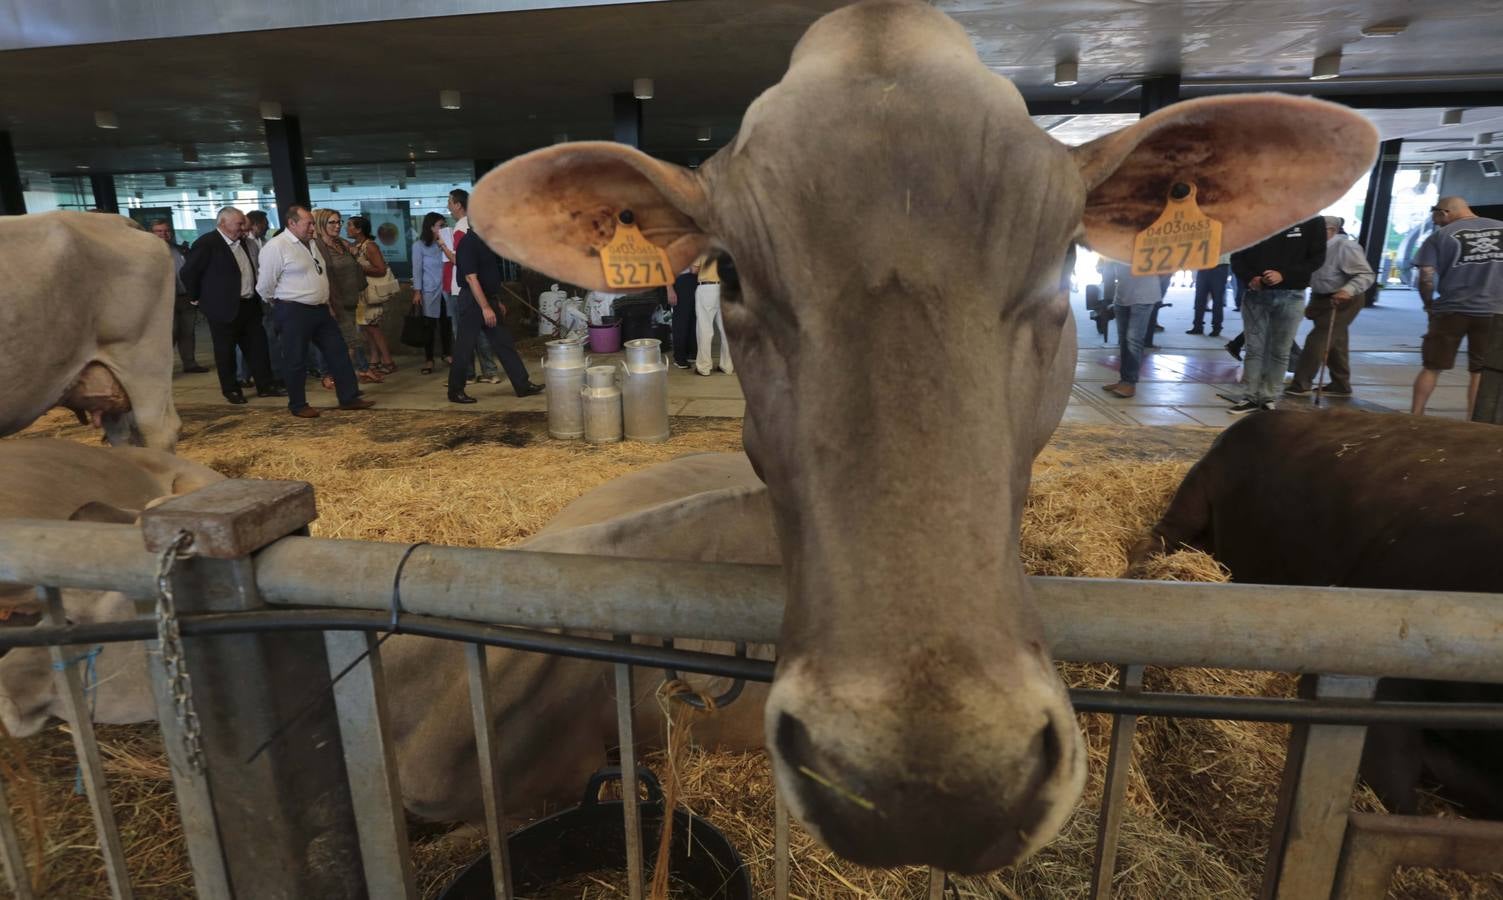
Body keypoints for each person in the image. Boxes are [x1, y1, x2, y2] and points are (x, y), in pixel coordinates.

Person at [256, 205, 375, 418]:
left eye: (313, 222)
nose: (313, 227)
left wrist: (325, 302)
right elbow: (265, 284)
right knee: (296, 358)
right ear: (291, 223)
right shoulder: (277, 246)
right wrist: (281, 302)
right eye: (308, 223)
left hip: (320, 309)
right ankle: (298, 404)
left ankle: (348, 397)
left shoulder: (311, 244)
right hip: (293, 309)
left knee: (338, 352)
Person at [1410, 196, 1503, 416]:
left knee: (1432, 366)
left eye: (1437, 218)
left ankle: (1415, 417)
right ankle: (1473, 422)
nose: (1436, 223)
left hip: (1451, 310)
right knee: (1480, 370)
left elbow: (1425, 276)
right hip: (1495, 313)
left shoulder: (1440, 236)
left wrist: (1429, 304)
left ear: (1444, 213)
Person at [180, 206, 281, 404]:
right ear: (223, 223)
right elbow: (188, 272)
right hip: (222, 308)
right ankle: (231, 389)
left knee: (258, 347)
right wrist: (196, 298)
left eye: (244, 223)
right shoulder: (207, 243)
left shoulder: (244, 242)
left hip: (249, 305)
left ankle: (265, 385)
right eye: (239, 223)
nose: (244, 227)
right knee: (225, 351)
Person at [1227, 216, 1326, 414]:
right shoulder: (1256, 217)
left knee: (1280, 350)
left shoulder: (1312, 221)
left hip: (1292, 294)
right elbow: (1237, 255)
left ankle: (1268, 396)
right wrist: (1250, 278)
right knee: (1254, 348)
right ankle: (1250, 396)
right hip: (1256, 294)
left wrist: (1285, 275)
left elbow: (1316, 258)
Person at [447, 225, 543, 403]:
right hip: (473, 301)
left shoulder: (485, 243)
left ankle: (522, 384)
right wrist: (485, 308)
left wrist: (495, 302)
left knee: (504, 342)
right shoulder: (468, 244)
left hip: (488, 299)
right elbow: (471, 278)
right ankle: (455, 390)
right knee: (465, 347)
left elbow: (488, 276)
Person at [1286, 217, 1375, 397]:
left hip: (1344, 299)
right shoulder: (1315, 248)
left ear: (1332, 230)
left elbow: (1366, 274)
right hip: (1322, 297)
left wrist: (1347, 290)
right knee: (1336, 341)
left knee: (1317, 339)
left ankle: (1301, 383)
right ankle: (1341, 384)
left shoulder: (1345, 247)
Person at [439, 188, 503, 383]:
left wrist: (442, 245)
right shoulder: (476, 229)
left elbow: (461, 261)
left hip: (463, 289)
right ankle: (489, 371)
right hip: (480, 286)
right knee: (481, 331)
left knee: (463, 334)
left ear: (458, 205)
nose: (448, 206)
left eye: (450, 202)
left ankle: (467, 374)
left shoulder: (460, 229)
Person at [313, 208, 382, 387]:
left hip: (351, 300)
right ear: (322, 224)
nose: (338, 226)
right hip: (334, 303)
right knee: (348, 343)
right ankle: (339, 379)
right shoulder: (317, 246)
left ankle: (345, 377)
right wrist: (327, 303)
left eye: (339, 222)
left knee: (349, 342)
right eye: (332, 222)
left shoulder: (341, 244)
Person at [151, 218, 208, 374]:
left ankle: (190, 364)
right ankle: (162, 369)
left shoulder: (180, 250)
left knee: (188, 332)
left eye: (167, 230)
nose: (164, 234)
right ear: (152, 233)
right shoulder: (147, 253)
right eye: (159, 231)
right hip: (163, 300)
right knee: (169, 334)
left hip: (185, 297)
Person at [1099, 259, 1159, 398]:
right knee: (1124, 341)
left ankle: (1130, 383)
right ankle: (1124, 380)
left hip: (1144, 296)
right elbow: (1108, 270)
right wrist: (1108, 300)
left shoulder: (1147, 241)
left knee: (1134, 340)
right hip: (1121, 296)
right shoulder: (1118, 245)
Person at [348, 215, 397, 374]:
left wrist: (360, 269)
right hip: (361, 293)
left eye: (350, 226)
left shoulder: (370, 246)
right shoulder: (356, 245)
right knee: (365, 327)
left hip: (370, 292)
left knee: (372, 326)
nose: (346, 229)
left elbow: (381, 269)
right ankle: (375, 358)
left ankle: (388, 361)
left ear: (359, 229)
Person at [411, 212, 453, 375]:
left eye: (443, 225)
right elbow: (417, 270)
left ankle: (447, 354)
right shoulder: (419, 245)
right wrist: (417, 291)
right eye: (439, 226)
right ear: (430, 227)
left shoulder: (446, 243)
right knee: (429, 326)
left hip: (446, 289)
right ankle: (429, 359)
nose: (442, 228)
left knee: (446, 323)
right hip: (429, 291)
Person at [694, 252, 734, 376]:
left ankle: (704, 367)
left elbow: (694, 269)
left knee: (704, 328)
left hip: (707, 288)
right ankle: (727, 366)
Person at [1186, 254, 1230, 337]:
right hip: (1204, 264)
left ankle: (1216, 327)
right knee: (1200, 298)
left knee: (1217, 300)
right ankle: (1198, 326)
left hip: (1219, 265)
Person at [667, 263, 698, 369]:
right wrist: (669, 290)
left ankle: (691, 353)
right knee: (681, 320)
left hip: (695, 280)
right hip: (681, 280)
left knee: (693, 319)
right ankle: (680, 357)